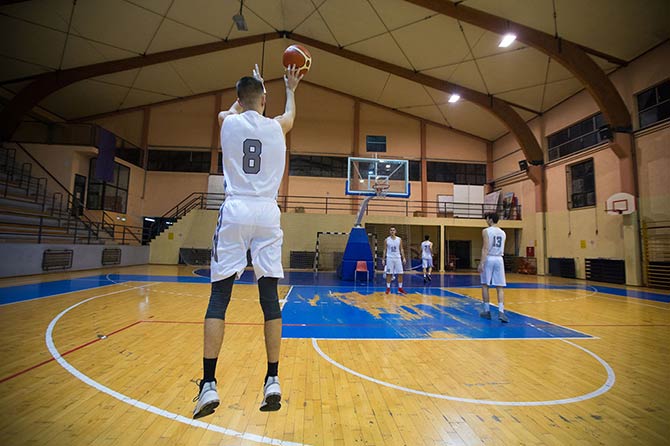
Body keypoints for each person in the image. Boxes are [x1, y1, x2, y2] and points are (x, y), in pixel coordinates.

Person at [193, 64, 303, 419]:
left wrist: (243, 96)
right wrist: (290, 87)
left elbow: (230, 110)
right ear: (264, 99)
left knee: (219, 297)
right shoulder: (277, 126)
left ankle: (209, 383)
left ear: (240, 98)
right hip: (267, 212)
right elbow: (289, 115)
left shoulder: (229, 120)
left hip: (236, 208)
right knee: (270, 300)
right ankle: (272, 378)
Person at [478, 212, 508, 323]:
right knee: (500, 287)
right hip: (499, 259)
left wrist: (481, 262)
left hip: (489, 258)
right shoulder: (503, 233)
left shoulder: (486, 231)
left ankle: (487, 311)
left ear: (490, 219)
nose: (486, 220)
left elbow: (485, 248)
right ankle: (501, 312)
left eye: (487, 218)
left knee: (485, 285)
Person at [383, 226, 406, 295]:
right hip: (390, 258)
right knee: (389, 274)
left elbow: (401, 249)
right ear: (389, 232)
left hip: (398, 258)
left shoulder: (399, 239)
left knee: (400, 273)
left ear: (395, 231)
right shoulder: (386, 240)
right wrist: (383, 259)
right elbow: (385, 250)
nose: (392, 231)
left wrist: (403, 257)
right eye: (391, 230)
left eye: (393, 230)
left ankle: (400, 288)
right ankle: (388, 288)